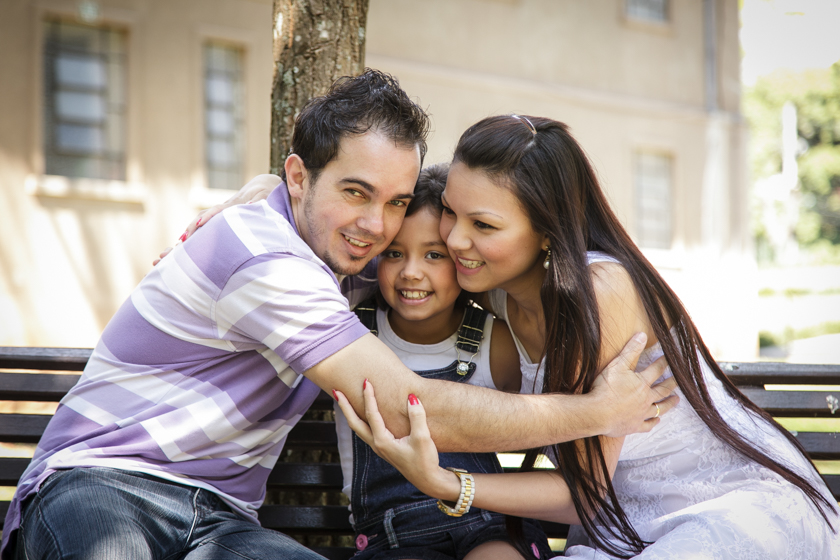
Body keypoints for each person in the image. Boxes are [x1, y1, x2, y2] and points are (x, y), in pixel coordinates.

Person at [2, 73, 676, 560]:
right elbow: (408, 403)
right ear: (299, 178)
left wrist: (261, 187)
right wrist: (594, 413)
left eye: (394, 201)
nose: (375, 227)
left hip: (222, 523)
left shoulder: (349, 271)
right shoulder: (263, 258)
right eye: (356, 192)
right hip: (105, 481)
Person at [336, 115, 840, 559]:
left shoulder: (599, 292)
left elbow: (585, 495)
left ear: (548, 231)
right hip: (623, 523)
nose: (455, 238)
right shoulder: (492, 291)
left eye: (484, 225)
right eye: (451, 210)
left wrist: (447, 484)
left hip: (727, 510)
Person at [335, 163, 553, 559]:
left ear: (462, 259)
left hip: (487, 523)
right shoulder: (347, 333)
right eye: (394, 253)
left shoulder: (495, 341)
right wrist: (264, 189)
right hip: (394, 536)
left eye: (434, 254)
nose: (411, 273)